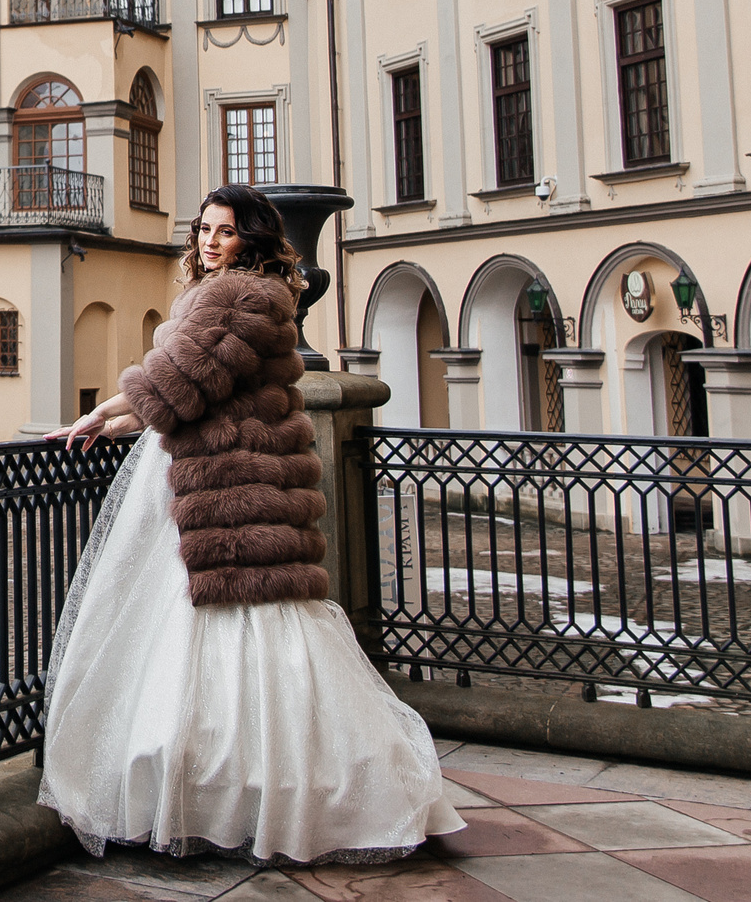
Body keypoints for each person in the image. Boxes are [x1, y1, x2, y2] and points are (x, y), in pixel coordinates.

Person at [38, 182, 463, 866]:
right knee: (228, 640)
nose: (209, 241)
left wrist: (103, 412)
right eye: (204, 228)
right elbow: (175, 384)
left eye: (226, 230)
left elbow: (180, 378)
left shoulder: (245, 297)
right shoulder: (225, 296)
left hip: (234, 490)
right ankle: (229, 788)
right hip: (207, 482)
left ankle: (268, 794)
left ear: (252, 240)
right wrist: (116, 414)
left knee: (254, 636)